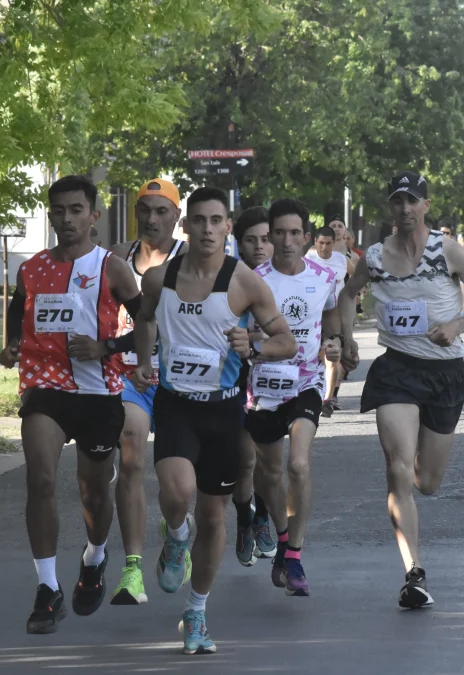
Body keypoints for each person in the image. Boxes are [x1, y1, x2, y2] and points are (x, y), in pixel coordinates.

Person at [131, 187, 297, 655]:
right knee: (177, 492)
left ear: (228, 228)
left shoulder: (244, 283)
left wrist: (256, 347)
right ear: (186, 226)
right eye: (199, 221)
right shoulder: (159, 278)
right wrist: (145, 359)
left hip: (224, 411)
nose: (207, 229)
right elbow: (144, 320)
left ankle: (197, 611)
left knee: (213, 516)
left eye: (216, 221)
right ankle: (176, 537)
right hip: (175, 404)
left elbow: (286, 342)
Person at [338, 170, 464, 608]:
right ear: (390, 208)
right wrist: (347, 337)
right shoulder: (373, 257)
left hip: (444, 373)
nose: (406, 209)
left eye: (413, 201)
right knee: (396, 470)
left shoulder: (448, 251)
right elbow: (346, 297)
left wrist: (456, 325)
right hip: (396, 370)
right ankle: (414, 574)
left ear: (426, 206)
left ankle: (410, 464)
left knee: (426, 482)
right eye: (398, 201)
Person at [0, 175, 141, 634]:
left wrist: (106, 348)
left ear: (93, 215)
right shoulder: (32, 268)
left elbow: (149, 327)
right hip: (45, 386)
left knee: (92, 492)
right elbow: (18, 310)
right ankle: (46, 588)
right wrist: (12, 344)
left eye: (76, 210)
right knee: (40, 476)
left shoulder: (113, 268)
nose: (66, 219)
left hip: (99, 392)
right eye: (58, 210)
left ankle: (95, 557)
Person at [246, 198, 342, 596]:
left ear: (306, 236)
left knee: (298, 464)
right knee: (269, 474)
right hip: (264, 386)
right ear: (270, 236)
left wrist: (335, 342)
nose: (286, 241)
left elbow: (333, 314)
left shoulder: (323, 276)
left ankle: (296, 556)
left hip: (306, 382)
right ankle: (282, 538)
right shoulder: (253, 279)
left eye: (293, 233)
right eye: (278, 234)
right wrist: (253, 342)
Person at [103, 178, 187, 605]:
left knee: (179, 490)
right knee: (131, 454)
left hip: (179, 380)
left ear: (176, 217)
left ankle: (176, 534)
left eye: (161, 211)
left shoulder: (190, 259)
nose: (152, 219)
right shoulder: (117, 257)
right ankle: (132, 569)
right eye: (145, 210)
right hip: (129, 376)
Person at [231, 206, 278, 566]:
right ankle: (245, 518)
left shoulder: (285, 278)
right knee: (244, 461)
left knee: (268, 462)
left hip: (277, 377)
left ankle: (262, 516)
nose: (260, 246)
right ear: (239, 244)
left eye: (266, 239)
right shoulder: (231, 279)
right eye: (251, 240)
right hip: (237, 375)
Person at [306, 226, 349, 416]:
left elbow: (356, 278)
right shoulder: (307, 260)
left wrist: (353, 295)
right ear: (315, 242)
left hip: (334, 312)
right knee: (316, 357)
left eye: (328, 243)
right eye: (321, 243)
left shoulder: (341, 260)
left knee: (332, 356)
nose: (324, 247)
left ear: (334, 243)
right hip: (311, 315)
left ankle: (327, 399)